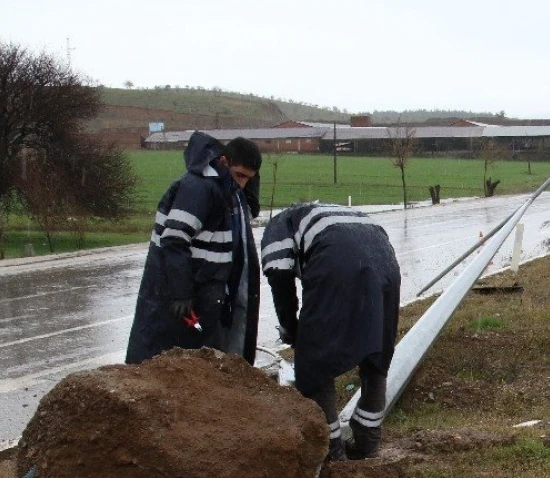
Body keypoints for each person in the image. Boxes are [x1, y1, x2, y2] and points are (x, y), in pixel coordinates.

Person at [260, 202, 401, 461]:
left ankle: (331, 450)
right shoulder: (323, 215)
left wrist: (292, 330)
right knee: (376, 351)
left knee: (314, 360)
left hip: (338, 262)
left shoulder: (277, 228)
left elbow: (280, 281)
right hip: (386, 262)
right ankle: (368, 438)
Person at [125, 133, 262, 365]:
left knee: (198, 366)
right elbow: (175, 239)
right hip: (182, 298)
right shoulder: (199, 187)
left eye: (248, 179)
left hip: (202, 296)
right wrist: (182, 293)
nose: (242, 184)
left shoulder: (224, 189)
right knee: (170, 365)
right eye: (239, 175)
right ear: (224, 162)